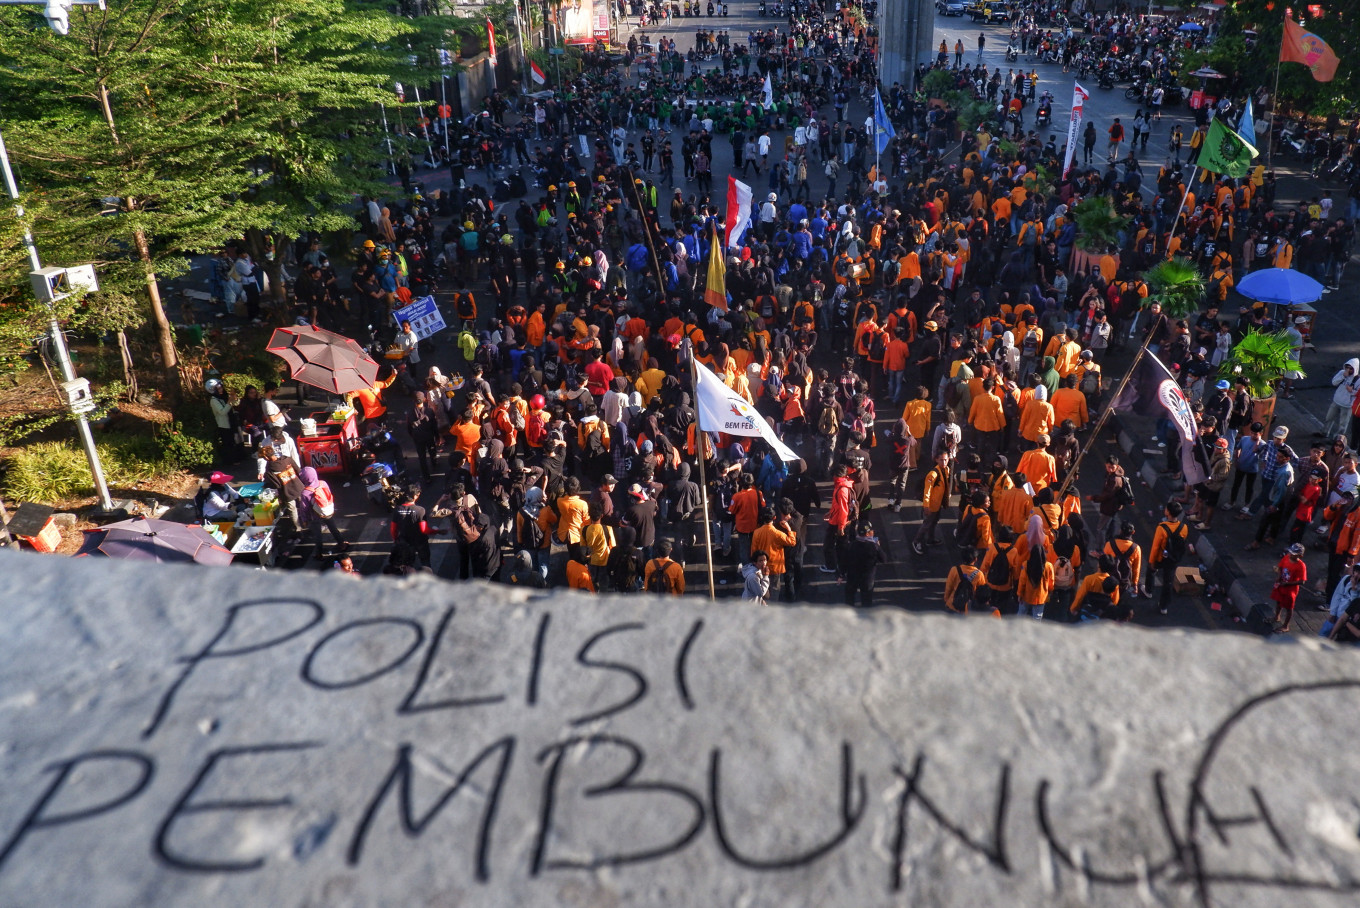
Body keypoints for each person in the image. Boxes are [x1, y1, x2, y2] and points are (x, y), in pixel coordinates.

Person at [1149, 500, 1189, 616]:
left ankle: (1148, 591)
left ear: (1168, 512)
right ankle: (1164, 606)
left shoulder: (1162, 528)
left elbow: (1155, 547)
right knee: (1168, 583)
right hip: (1173, 559)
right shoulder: (1184, 527)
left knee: (1150, 571)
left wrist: (1152, 561)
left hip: (1161, 558)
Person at [300, 466, 347, 558]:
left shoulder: (305, 493)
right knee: (333, 528)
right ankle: (342, 544)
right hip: (326, 511)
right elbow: (329, 494)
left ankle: (319, 553)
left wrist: (304, 519)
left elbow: (304, 508)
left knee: (318, 536)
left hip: (314, 516)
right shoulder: (323, 483)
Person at [841, 520, 887, 608]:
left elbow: (844, 560)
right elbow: (884, 559)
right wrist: (878, 546)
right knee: (866, 601)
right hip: (867, 579)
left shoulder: (851, 545)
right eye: (871, 531)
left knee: (849, 598)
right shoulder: (874, 547)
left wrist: (842, 573)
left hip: (852, 577)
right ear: (867, 534)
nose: (873, 532)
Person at [1269, 543, 1307, 634]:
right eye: (1290, 552)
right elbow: (1280, 567)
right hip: (1281, 585)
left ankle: (1286, 625)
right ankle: (1277, 616)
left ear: (1300, 556)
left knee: (1289, 608)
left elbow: (1302, 581)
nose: (1290, 554)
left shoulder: (1301, 566)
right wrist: (1278, 576)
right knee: (1278, 601)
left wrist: (1288, 584)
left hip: (1290, 590)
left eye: (1293, 554)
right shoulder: (1286, 558)